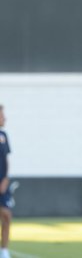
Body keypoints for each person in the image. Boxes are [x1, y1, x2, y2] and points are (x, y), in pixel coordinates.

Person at [0, 105, 12, 258]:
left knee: (7, 215)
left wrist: (6, 178)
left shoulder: (4, 135)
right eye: (2, 115)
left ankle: (4, 251)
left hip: (2, 184)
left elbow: (6, 160)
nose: (5, 118)